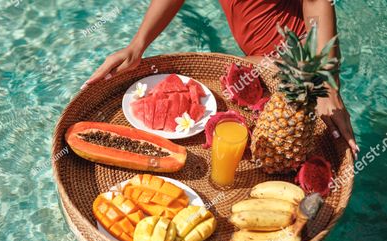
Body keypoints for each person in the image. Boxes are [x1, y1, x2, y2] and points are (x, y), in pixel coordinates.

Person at [83, 0, 359, 159]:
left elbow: (316, 4)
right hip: (256, 58)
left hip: (296, 61)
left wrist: (327, 82)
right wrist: (137, 46)